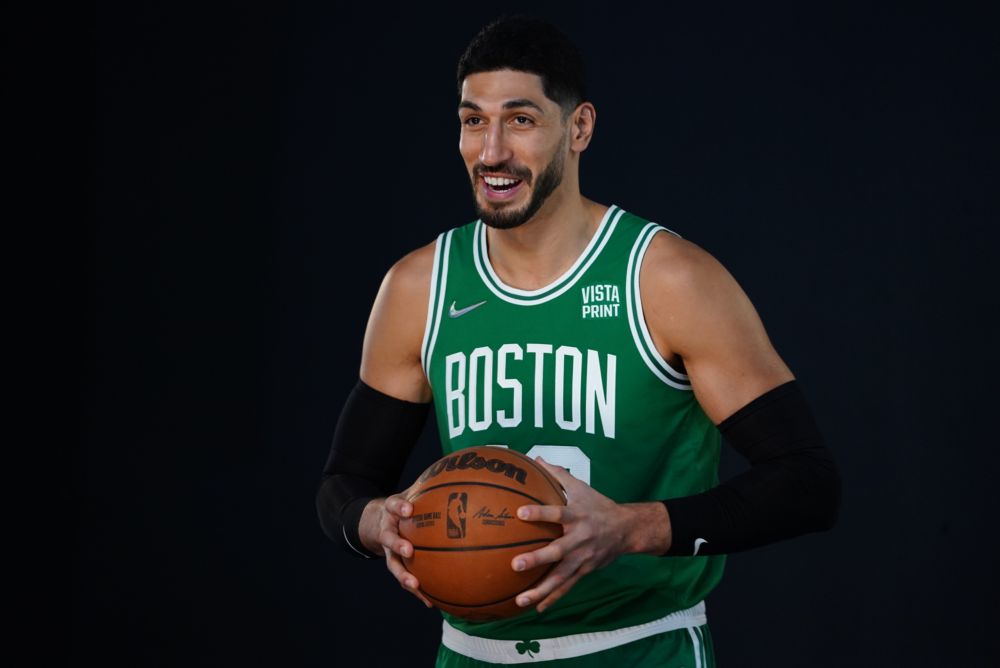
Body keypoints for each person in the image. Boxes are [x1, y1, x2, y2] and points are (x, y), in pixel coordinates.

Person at [317, 15, 840, 667]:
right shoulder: (419, 287)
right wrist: (379, 524)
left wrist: (631, 528)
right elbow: (345, 484)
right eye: (473, 120)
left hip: (640, 648)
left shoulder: (665, 279)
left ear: (579, 128)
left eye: (522, 119)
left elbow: (808, 482)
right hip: (471, 655)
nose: (492, 151)